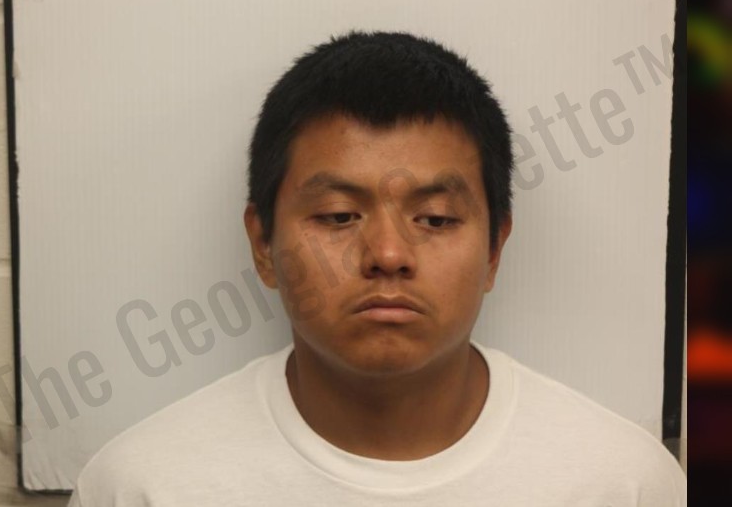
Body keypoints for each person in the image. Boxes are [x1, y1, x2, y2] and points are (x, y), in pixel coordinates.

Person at [68, 31, 686, 506]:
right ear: (263, 245)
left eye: (435, 219)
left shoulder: (623, 484)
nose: (388, 255)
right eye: (338, 216)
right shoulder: (143, 487)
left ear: (495, 249)